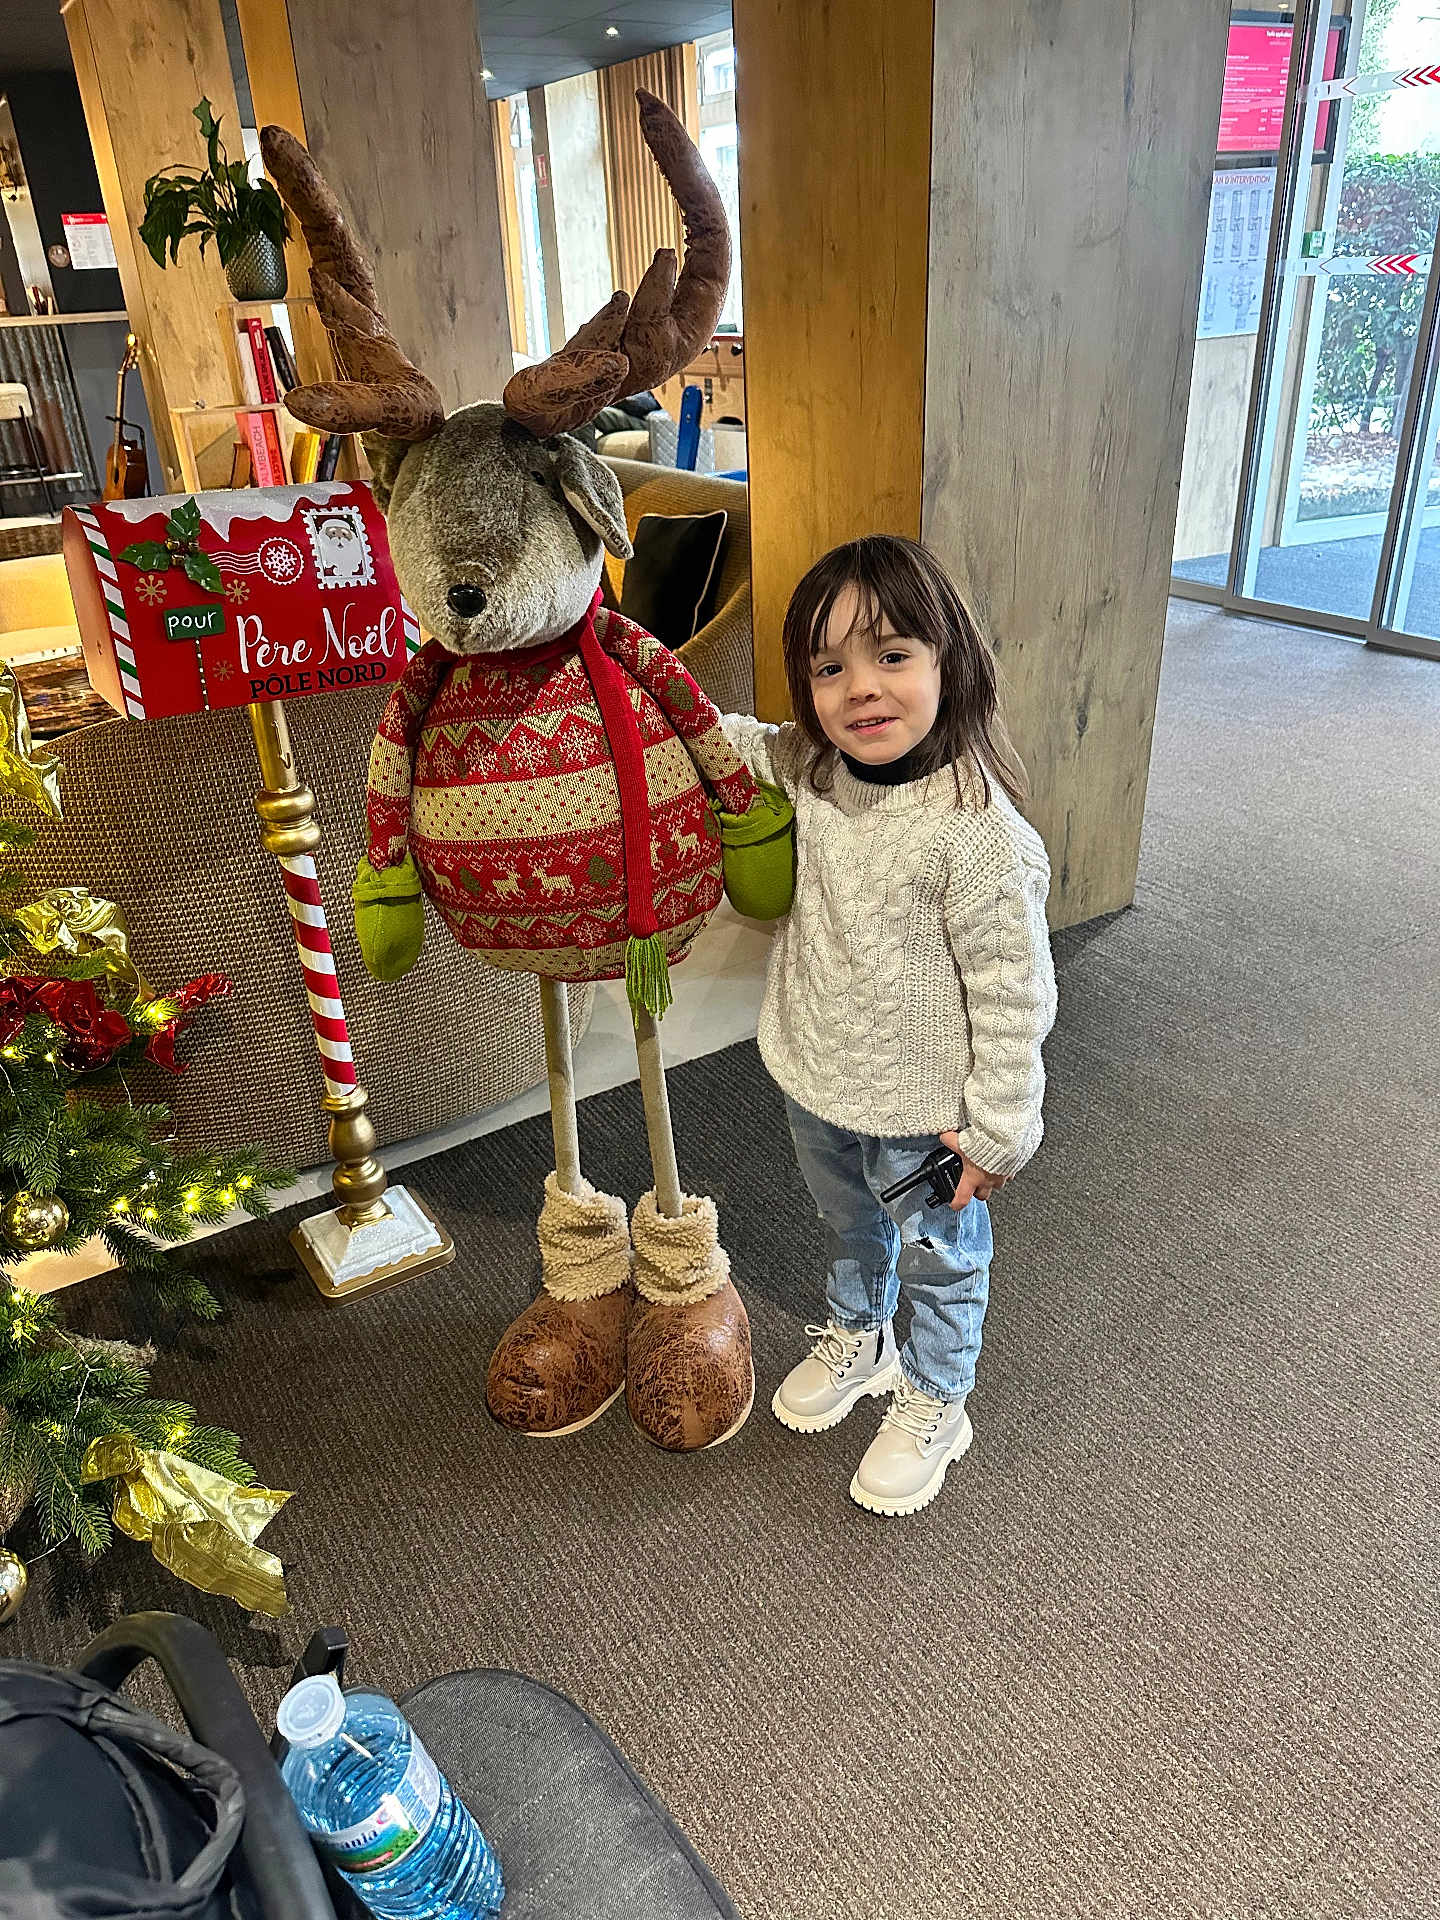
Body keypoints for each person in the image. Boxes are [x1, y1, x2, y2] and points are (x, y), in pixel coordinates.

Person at [721, 535, 1056, 1516]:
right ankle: (860, 1333)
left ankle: (938, 1398)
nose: (860, 689)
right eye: (830, 668)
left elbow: (1013, 995)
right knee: (844, 1222)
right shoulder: (814, 770)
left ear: (952, 662)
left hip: (927, 1113)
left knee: (941, 1255)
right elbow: (731, 740)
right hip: (817, 1076)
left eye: (892, 655)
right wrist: (638, 677)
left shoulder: (976, 832)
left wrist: (1000, 1127)